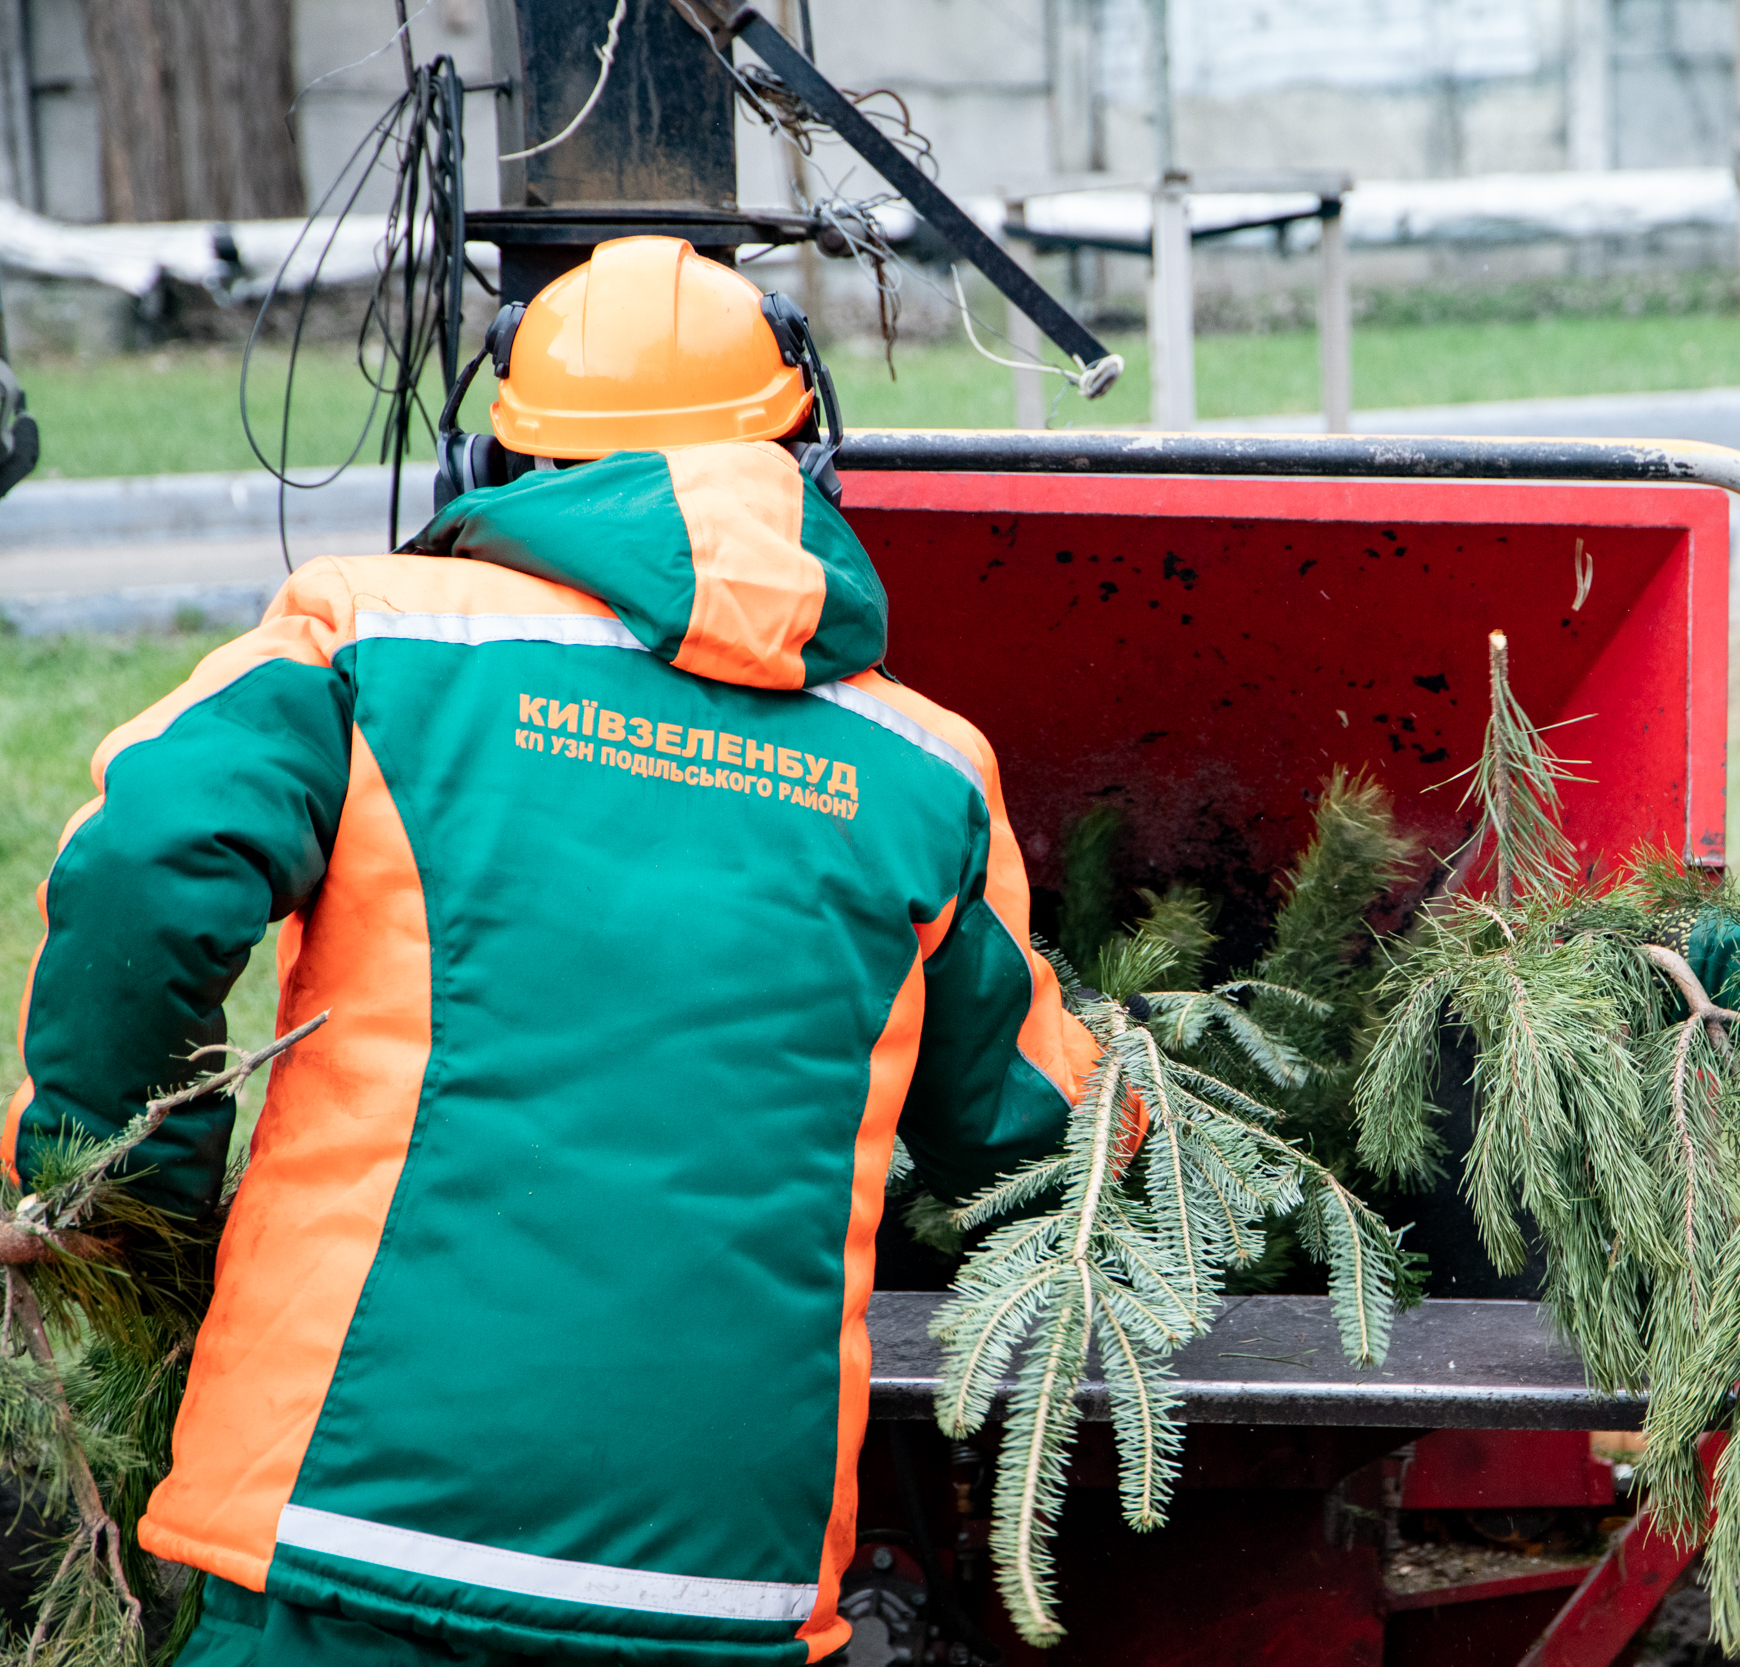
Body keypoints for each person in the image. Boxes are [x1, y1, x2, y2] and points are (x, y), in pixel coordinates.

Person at [4, 234, 1104, 1665]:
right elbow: (1026, 1129)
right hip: (721, 1586)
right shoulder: (927, 769)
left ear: (499, 460)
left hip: (337, 1523)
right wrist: (1132, 1088)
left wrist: (128, 1199)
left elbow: (146, 860)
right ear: (807, 467)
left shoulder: (365, 644)